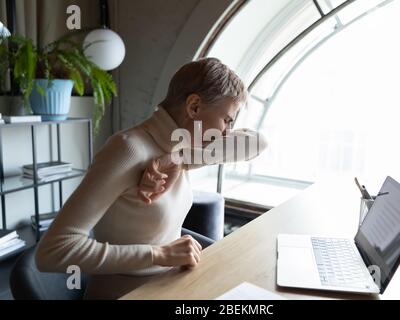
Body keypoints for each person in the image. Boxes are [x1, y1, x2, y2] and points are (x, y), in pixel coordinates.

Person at [35, 57, 268, 299]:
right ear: (195, 106)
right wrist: (159, 254)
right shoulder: (127, 150)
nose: (226, 133)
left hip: (174, 288)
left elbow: (258, 143)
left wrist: (177, 159)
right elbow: (53, 252)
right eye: (227, 120)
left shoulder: (179, 151)